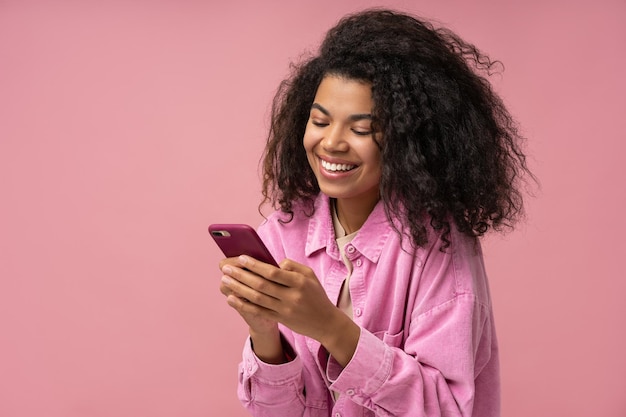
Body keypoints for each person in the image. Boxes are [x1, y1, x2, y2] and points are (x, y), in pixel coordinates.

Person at [218, 8, 532, 417]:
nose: (331, 143)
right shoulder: (284, 231)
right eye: (319, 121)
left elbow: (448, 409)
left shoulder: (438, 245)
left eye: (361, 129)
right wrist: (264, 332)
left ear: (409, 140)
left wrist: (331, 327)